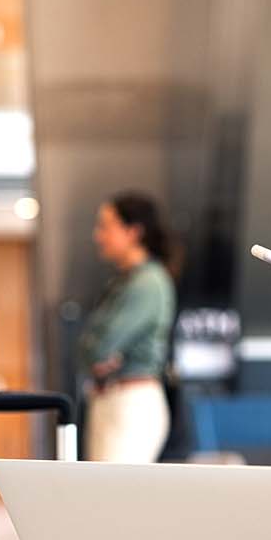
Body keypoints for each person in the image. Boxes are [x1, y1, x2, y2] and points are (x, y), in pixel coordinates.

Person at [78, 191, 178, 462]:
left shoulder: (148, 282)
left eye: (106, 226)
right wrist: (100, 355)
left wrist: (104, 355)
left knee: (116, 498)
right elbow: (88, 350)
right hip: (107, 399)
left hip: (132, 403)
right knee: (100, 497)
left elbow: (100, 346)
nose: (98, 236)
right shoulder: (120, 283)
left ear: (133, 231)